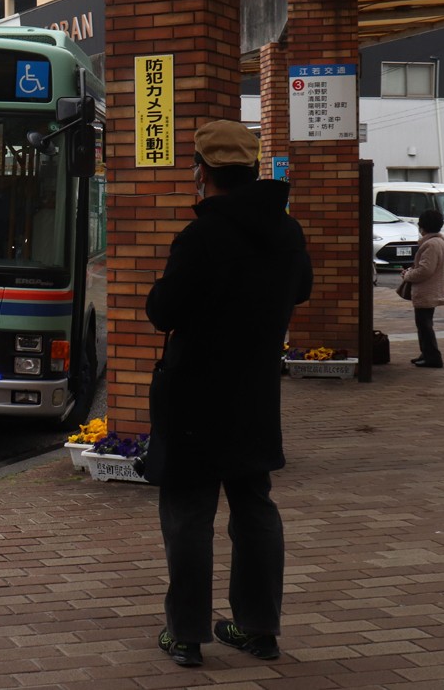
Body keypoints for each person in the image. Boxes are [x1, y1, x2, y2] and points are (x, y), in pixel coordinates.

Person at [144, 120, 312, 668]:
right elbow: (303, 289)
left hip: (195, 393)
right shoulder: (286, 232)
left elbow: (164, 312)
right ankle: (259, 629)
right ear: (253, 169)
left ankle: (187, 635)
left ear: (203, 171)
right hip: (256, 391)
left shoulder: (202, 236)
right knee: (254, 505)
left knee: (190, 511)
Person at [398, 208, 444, 366]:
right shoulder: (441, 242)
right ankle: (425, 354)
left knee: (424, 325)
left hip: (427, 290)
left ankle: (432, 357)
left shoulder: (430, 244)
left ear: (423, 226)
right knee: (424, 323)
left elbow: (425, 270)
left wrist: (407, 275)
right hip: (434, 288)